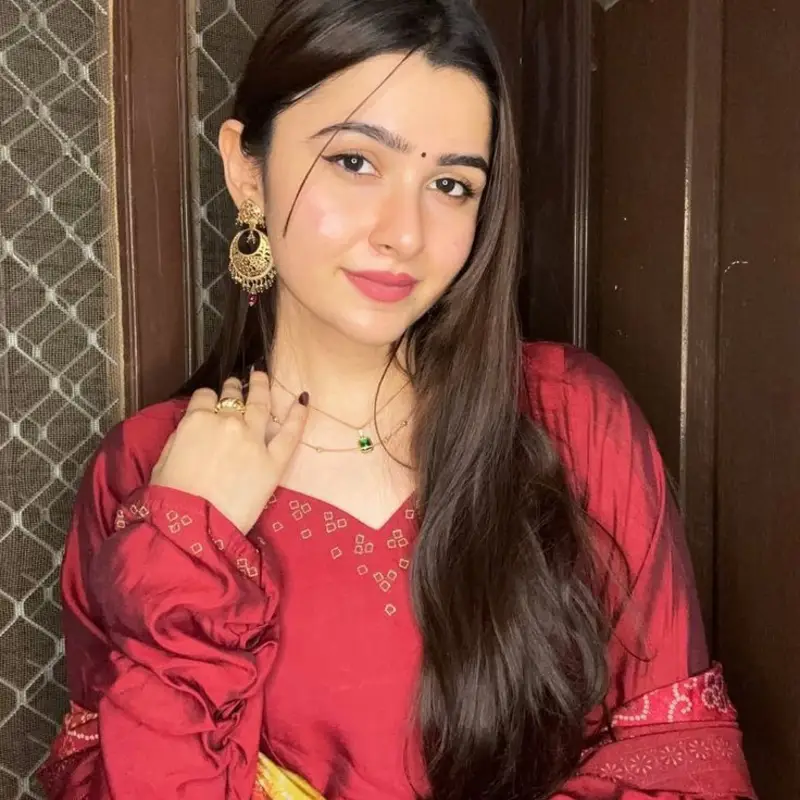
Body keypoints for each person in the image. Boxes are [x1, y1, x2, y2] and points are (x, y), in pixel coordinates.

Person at [38, 1, 756, 798]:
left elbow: (682, 760)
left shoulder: (572, 417)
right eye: (355, 161)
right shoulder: (149, 470)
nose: (405, 233)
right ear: (247, 171)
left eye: (450, 184)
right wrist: (187, 547)